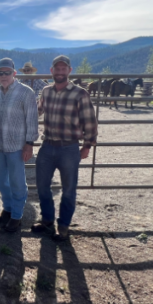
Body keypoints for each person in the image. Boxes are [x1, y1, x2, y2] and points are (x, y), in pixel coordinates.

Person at [35, 55, 97, 242]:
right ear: (52, 71)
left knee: (69, 188)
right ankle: (47, 220)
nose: (60, 72)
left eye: (64, 69)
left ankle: (63, 225)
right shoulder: (46, 91)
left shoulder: (80, 93)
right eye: (57, 69)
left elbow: (90, 122)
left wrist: (86, 146)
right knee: (42, 185)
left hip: (69, 147)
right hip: (47, 145)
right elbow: (37, 112)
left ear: (69, 71)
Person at [0, 58, 37, 233]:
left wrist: (29, 143)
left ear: (14, 73)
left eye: (7, 72)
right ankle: (8, 208)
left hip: (17, 144)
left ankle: (16, 215)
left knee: (17, 182)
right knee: (0, 180)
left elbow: (32, 119)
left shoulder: (26, 92)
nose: (3, 75)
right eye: (0, 72)